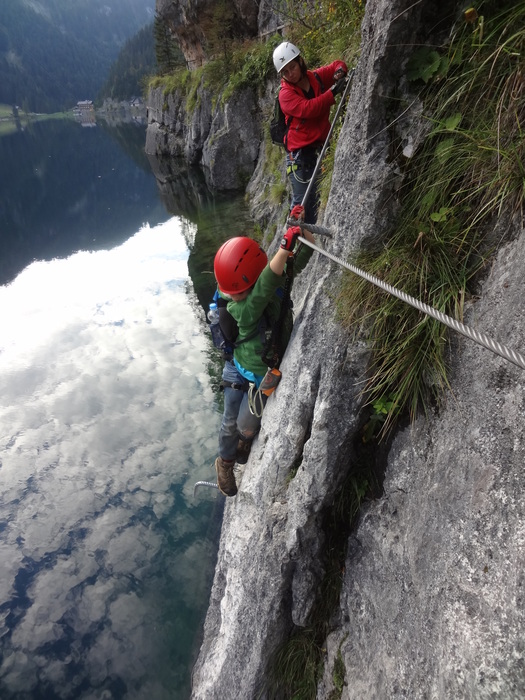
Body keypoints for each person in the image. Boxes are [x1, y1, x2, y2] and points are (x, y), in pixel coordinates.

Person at [213, 212, 314, 496]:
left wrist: (299, 231)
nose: (233, 298)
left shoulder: (271, 283)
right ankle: (225, 462)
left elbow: (303, 257)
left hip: (261, 371)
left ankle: (244, 440)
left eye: (238, 292)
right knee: (229, 422)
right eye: (231, 293)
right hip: (238, 364)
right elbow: (256, 299)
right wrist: (283, 248)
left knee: (247, 424)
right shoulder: (239, 308)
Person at [273, 41, 348, 224]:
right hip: (300, 157)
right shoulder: (285, 94)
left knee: (315, 206)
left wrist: (340, 72)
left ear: (300, 62)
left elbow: (337, 65)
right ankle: (291, 248)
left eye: (292, 67)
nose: (291, 74)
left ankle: (305, 245)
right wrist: (332, 93)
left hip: (320, 149)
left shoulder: (316, 78)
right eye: (286, 72)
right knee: (302, 208)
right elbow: (308, 109)